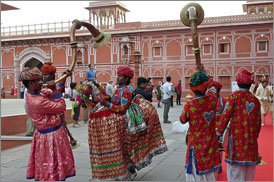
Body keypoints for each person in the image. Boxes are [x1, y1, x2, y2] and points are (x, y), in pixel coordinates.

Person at [87, 66, 167, 180]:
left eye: (120, 76)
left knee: (125, 148)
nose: (117, 78)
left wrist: (107, 104)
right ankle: (126, 170)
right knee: (122, 148)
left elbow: (123, 108)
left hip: (124, 122)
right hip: (117, 120)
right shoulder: (118, 89)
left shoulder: (126, 91)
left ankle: (129, 170)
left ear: (126, 78)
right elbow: (114, 102)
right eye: (118, 75)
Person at [19, 67, 76, 181]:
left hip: (43, 135)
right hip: (51, 137)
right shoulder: (38, 101)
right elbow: (61, 107)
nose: (42, 82)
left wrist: (62, 80)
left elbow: (52, 91)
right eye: (39, 80)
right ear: (31, 83)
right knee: (53, 165)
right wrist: (55, 90)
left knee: (48, 165)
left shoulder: (33, 94)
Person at [216, 70, 261, 181]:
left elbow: (225, 117)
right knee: (249, 175)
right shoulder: (255, 101)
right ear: (250, 84)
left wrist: (218, 133)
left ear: (238, 83)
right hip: (251, 144)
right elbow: (258, 124)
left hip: (236, 143)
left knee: (235, 174)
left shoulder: (234, 97)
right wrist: (252, 137)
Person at [180, 70, 221, 181]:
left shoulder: (190, 105)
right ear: (206, 86)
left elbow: (182, 119)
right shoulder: (213, 99)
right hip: (211, 143)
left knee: (195, 173)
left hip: (196, 144)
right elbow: (213, 87)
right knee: (211, 172)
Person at [41, 61, 80, 149]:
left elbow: (60, 84)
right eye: (44, 75)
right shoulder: (42, 87)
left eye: (46, 75)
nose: (44, 77)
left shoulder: (56, 86)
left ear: (52, 76)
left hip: (57, 115)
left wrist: (65, 75)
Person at [214, 81, 227, 173]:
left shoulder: (223, 101)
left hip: (219, 128)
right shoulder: (207, 100)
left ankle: (218, 165)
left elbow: (226, 116)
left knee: (219, 148)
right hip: (209, 129)